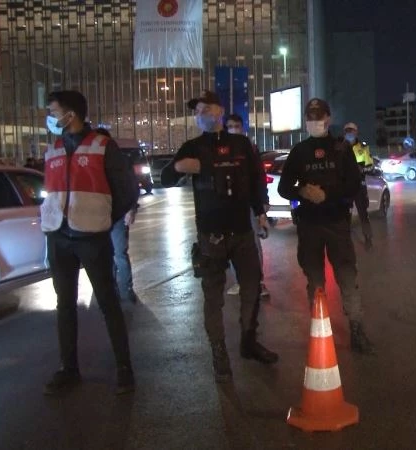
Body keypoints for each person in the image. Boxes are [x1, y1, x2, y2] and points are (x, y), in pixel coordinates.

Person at [162, 90, 278, 383]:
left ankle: (249, 341)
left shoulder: (241, 144)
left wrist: (260, 212)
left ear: (220, 111)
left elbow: (256, 181)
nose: (200, 115)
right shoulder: (192, 147)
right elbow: (165, 178)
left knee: (251, 287)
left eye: (205, 109)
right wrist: (178, 167)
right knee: (213, 297)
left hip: (242, 231)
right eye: (197, 111)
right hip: (210, 235)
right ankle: (219, 352)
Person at [41, 90, 138, 395]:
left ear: (71, 114)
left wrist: (105, 219)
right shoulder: (53, 149)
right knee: (65, 305)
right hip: (59, 237)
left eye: (54, 112)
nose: (50, 118)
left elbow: (128, 190)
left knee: (108, 302)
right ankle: (68, 369)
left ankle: (124, 368)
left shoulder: (102, 146)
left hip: (92, 238)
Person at [277, 98, 374, 354]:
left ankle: (357, 330)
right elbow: (283, 188)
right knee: (315, 281)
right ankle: (320, 332)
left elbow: (353, 184)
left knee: (347, 278)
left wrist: (327, 194)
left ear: (328, 118)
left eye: (318, 117)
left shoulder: (341, 149)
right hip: (309, 225)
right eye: (310, 117)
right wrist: (302, 191)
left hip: (336, 223)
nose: (314, 121)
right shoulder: (299, 151)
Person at [225, 113, 270, 297]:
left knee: (253, 243)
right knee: (232, 244)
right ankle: (239, 281)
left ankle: (259, 282)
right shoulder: (223, 148)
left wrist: (263, 202)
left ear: (242, 128)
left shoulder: (249, 148)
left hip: (249, 203)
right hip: (229, 205)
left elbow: (259, 176)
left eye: (236, 126)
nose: (233, 129)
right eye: (230, 126)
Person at [93, 127, 140, 304]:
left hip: (118, 214)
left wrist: (131, 209)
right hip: (98, 215)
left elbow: (132, 186)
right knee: (104, 255)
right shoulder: (92, 162)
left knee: (119, 253)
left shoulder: (121, 161)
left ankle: (126, 290)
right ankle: (109, 291)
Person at [344, 122, 374, 250]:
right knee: (345, 215)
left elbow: (370, 167)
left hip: (359, 186)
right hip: (345, 188)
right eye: (347, 131)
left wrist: (362, 170)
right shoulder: (339, 148)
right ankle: (344, 241)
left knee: (363, 214)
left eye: (351, 131)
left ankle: (368, 238)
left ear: (356, 133)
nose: (349, 134)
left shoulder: (363, 148)